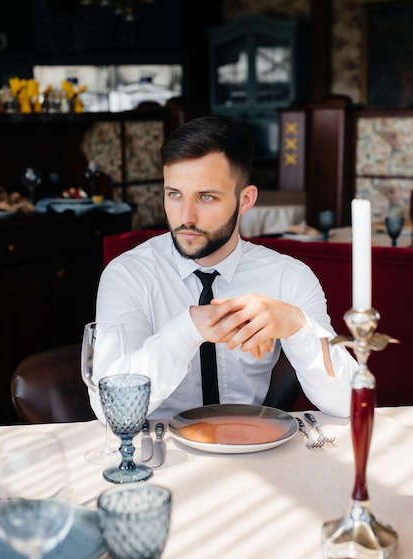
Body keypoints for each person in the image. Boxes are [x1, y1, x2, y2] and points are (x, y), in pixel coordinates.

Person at [92, 115, 357, 421]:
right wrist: (188, 328)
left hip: (253, 448)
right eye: (174, 194)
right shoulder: (128, 275)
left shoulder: (289, 277)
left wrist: (299, 327)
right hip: (160, 456)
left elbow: (348, 401)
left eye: (206, 197)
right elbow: (111, 409)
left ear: (245, 200)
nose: (186, 217)